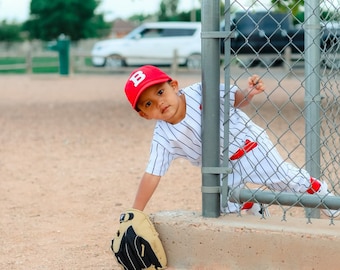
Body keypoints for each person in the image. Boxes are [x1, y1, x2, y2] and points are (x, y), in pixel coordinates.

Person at [124, 65, 339, 217]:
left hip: (249, 147)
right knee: (225, 204)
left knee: (285, 180)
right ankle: (254, 207)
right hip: (222, 167)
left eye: (160, 91)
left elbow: (236, 99)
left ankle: (325, 197)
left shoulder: (201, 91)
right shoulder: (163, 136)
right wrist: (136, 213)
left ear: (174, 85)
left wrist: (249, 93)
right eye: (148, 104)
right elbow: (152, 174)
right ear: (144, 114)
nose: (159, 102)